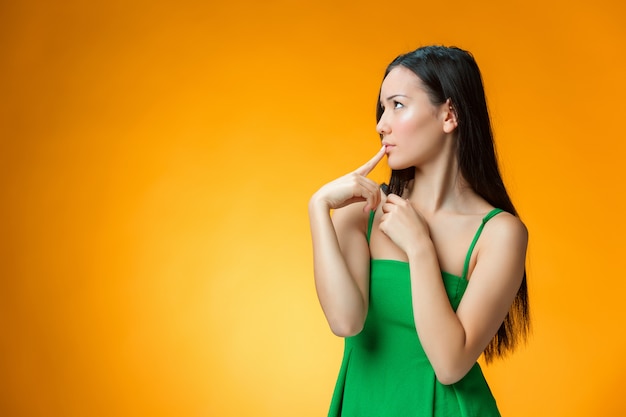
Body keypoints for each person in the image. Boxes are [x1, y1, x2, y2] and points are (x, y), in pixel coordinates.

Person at [308, 45, 530, 416]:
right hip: (365, 405)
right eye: (382, 109)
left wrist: (420, 248)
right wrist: (317, 208)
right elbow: (346, 321)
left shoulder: (500, 234)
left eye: (397, 105)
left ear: (449, 114)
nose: (381, 124)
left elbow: (450, 364)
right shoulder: (360, 213)